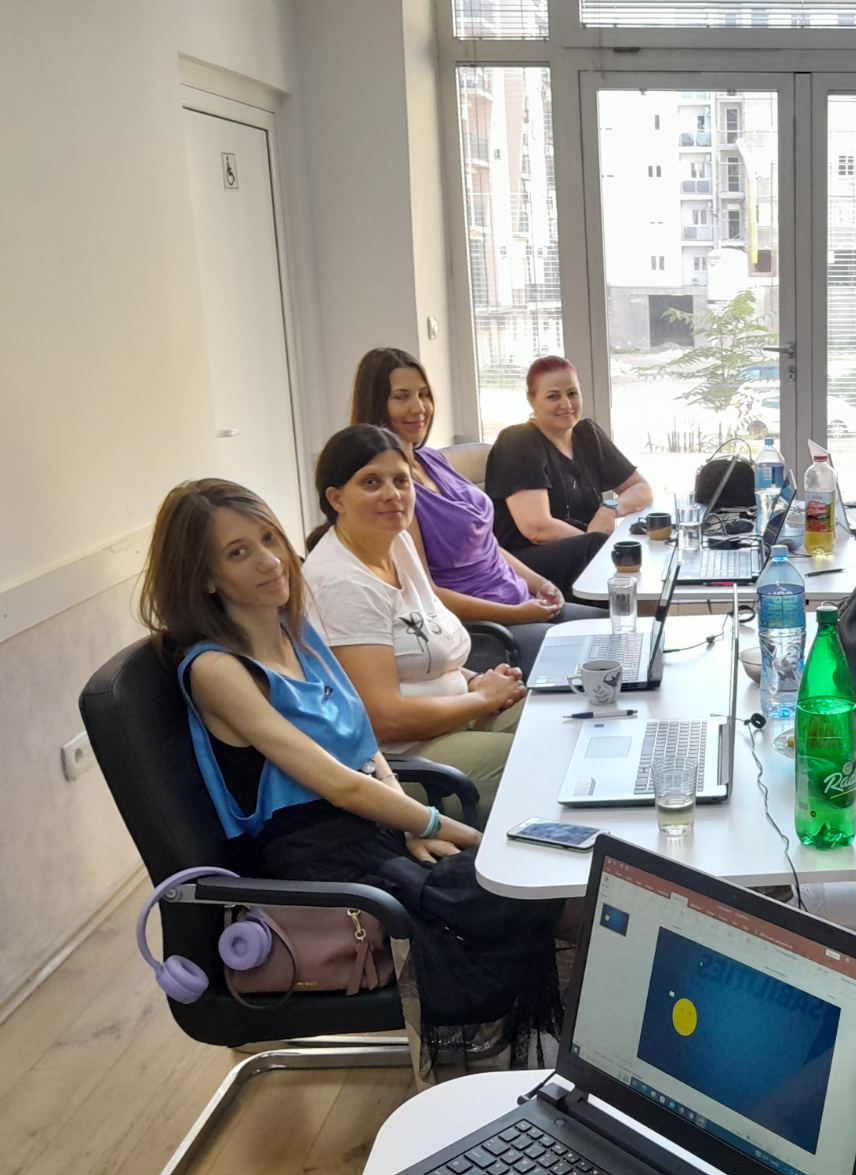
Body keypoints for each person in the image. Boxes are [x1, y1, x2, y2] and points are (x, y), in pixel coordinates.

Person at [139, 478, 563, 1065]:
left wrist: (412, 824)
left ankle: (558, 1048)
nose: (269, 561)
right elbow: (336, 783)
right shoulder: (217, 671)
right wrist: (444, 824)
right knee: (515, 884)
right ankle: (550, 1057)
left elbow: (363, 747)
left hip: (370, 831)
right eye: (239, 553)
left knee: (532, 879)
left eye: (270, 539)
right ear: (205, 578)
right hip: (319, 863)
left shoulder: (296, 631)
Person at [302, 424, 526, 817]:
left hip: (455, 717)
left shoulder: (397, 543)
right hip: (403, 760)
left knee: (567, 719)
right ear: (336, 498)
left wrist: (478, 680)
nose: (392, 494)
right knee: (545, 758)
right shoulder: (340, 582)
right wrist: (480, 700)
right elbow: (384, 720)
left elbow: (426, 645)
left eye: (401, 480)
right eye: (371, 482)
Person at [348, 347, 605, 664]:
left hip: (520, 601)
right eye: (401, 397)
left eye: (424, 394)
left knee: (621, 632)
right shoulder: (393, 494)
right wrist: (518, 614)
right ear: (376, 404)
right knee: (592, 653)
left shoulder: (433, 460)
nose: (419, 407)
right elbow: (427, 593)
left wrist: (539, 583)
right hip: (486, 629)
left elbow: (487, 545)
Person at [486, 355, 653, 597]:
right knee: (616, 555)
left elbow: (642, 489)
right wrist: (598, 542)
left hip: (585, 551)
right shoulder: (518, 440)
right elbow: (537, 529)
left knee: (637, 548)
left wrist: (610, 508)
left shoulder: (587, 435)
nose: (566, 404)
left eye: (572, 393)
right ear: (532, 400)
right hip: (524, 565)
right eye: (553, 396)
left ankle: (649, 618)